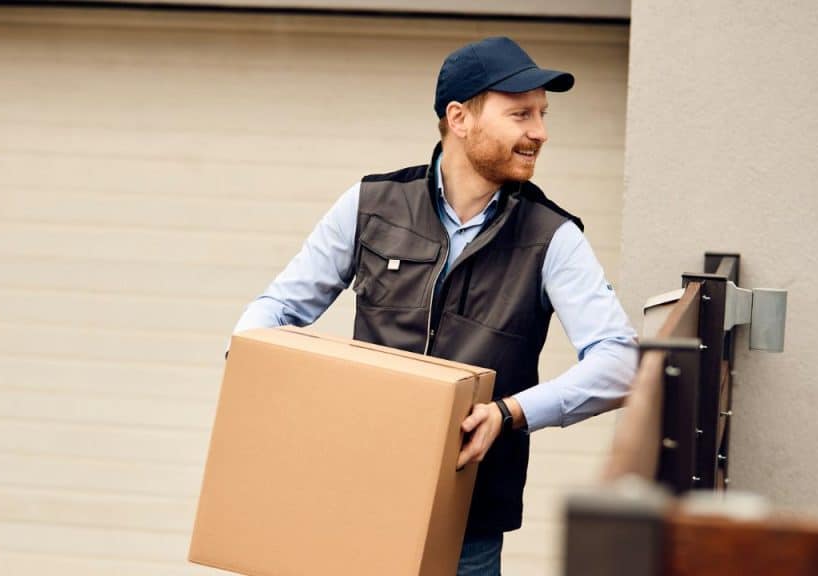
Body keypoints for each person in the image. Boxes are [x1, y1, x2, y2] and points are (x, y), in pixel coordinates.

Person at [231, 36, 637, 576]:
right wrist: (257, 370)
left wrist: (508, 414)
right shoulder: (370, 205)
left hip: (466, 526)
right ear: (459, 117)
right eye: (520, 114)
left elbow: (621, 363)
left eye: (542, 113)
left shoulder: (552, 237)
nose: (540, 131)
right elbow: (275, 310)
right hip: (351, 502)